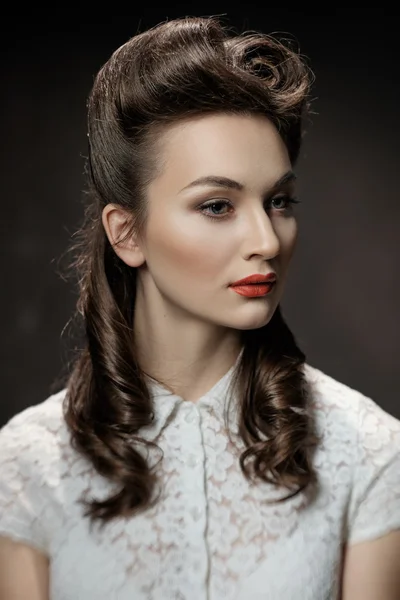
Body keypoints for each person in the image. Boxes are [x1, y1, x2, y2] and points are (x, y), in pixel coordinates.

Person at [0, 15, 399, 600]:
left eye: (280, 201)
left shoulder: (367, 452)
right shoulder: (26, 467)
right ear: (127, 233)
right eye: (217, 205)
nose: (266, 239)